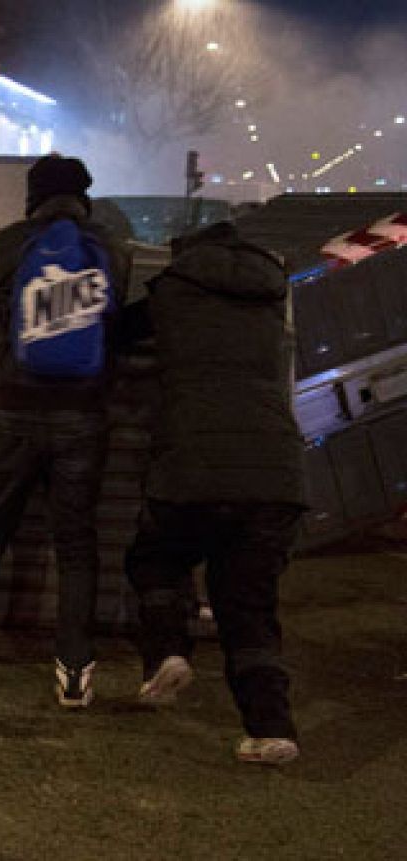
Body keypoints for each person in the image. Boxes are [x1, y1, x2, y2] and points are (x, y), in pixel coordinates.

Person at [0, 154, 133, 709]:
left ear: (32, 196)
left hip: (13, 409)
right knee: (75, 540)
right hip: (82, 414)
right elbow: (113, 330)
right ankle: (73, 668)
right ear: (84, 195)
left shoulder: (4, 244)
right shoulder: (111, 248)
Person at [120, 221, 305, 765]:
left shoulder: (173, 289)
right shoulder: (273, 293)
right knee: (248, 604)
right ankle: (272, 729)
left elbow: (111, 335)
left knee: (155, 558)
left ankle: (166, 655)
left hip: (194, 463)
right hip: (276, 469)